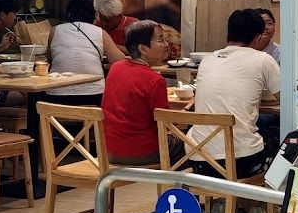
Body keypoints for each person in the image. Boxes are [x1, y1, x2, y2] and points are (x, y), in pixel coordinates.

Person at [189, 9, 280, 178]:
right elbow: (285, 99)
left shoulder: (207, 60)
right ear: (258, 37)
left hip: (198, 159)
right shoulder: (263, 59)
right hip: (241, 162)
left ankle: (225, 202)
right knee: (277, 138)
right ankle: (259, 202)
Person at [102, 20, 171, 165]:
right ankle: (175, 186)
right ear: (143, 49)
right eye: (160, 39)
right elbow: (166, 124)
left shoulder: (116, 68)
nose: (166, 44)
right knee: (193, 148)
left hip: (109, 150)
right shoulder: (155, 80)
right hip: (141, 152)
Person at [47, 0, 126, 107]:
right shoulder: (100, 32)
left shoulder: (55, 30)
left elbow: (50, 60)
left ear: (69, 14)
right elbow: (120, 61)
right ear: (94, 16)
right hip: (93, 96)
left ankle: (45, 124)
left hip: (56, 97)